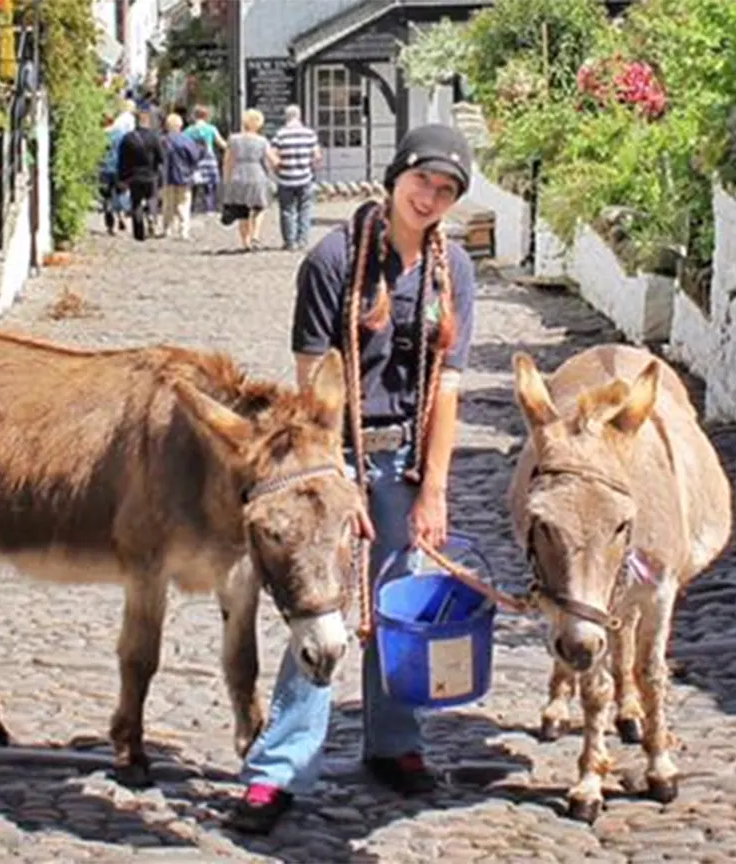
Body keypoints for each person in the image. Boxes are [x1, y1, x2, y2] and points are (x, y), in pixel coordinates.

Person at [227, 123, 479, 835]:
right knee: (323, 613)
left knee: (396, 607)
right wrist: (340, 486)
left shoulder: (451, 269)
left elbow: (449, 388)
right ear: (396, 176)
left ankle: (394, 743)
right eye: (422, 180)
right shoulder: (333, 259)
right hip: (332, 460)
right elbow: (310, 392)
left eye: (446, 189)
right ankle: (277, 771)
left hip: (406, 457)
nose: (430, 197)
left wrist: (433, 489)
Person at [219, 109, 277, 251]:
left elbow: (227, 161)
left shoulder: (233, 139)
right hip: (257, 175)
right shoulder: (262, 141)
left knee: (241, 211)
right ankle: (255, 235)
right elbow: (272, 160)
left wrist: (226, 180)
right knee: (259, 207)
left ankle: (245, 242)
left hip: (238, 176)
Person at [269, 104, 323, 251]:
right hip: (304, 178)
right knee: (305, 209)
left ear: (286, 118)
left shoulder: (280, 134)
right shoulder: (309, 134)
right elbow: (317, 156)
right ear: (299, 117)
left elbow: (272, 155)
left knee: (287, 210)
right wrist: (313, 167)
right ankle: (302, 240)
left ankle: (289, 242)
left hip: (286, 178)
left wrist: (277, 169)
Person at [116, 111, 167, 241]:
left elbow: (122, 160)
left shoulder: (128, 138)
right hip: (151, 175)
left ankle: (139, 232)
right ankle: (151, 215)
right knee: (152, 198)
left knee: (136, 203)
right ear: (148, 122)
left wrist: (122, 177)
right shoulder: (154, 137)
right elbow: (161, 158)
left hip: (134, 176)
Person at [160, 113, 205, 241]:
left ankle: (167, 229)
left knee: (168, 204)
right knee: (184, 204)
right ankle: (183, 230)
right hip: (184, 176)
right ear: (180, 126)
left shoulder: (162, 140)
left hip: (167, 176)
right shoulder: (187, 140)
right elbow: (195, 156)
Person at [185, 106, 226, 214]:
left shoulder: (188, 130)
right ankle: (209, 208)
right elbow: (221, 143)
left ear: (194, 115)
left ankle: (191, 208)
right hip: (209, 159)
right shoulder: (211, 128)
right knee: (210, 185)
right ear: (206, 116)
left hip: (195, 159)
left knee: (193, 185)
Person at [99, 112, 130, 235]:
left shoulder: (100, 136)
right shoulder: (121, 135)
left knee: (106, 197)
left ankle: (110, 224)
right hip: (119, 167)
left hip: (104, 169)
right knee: (120, 193)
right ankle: (121, 214)